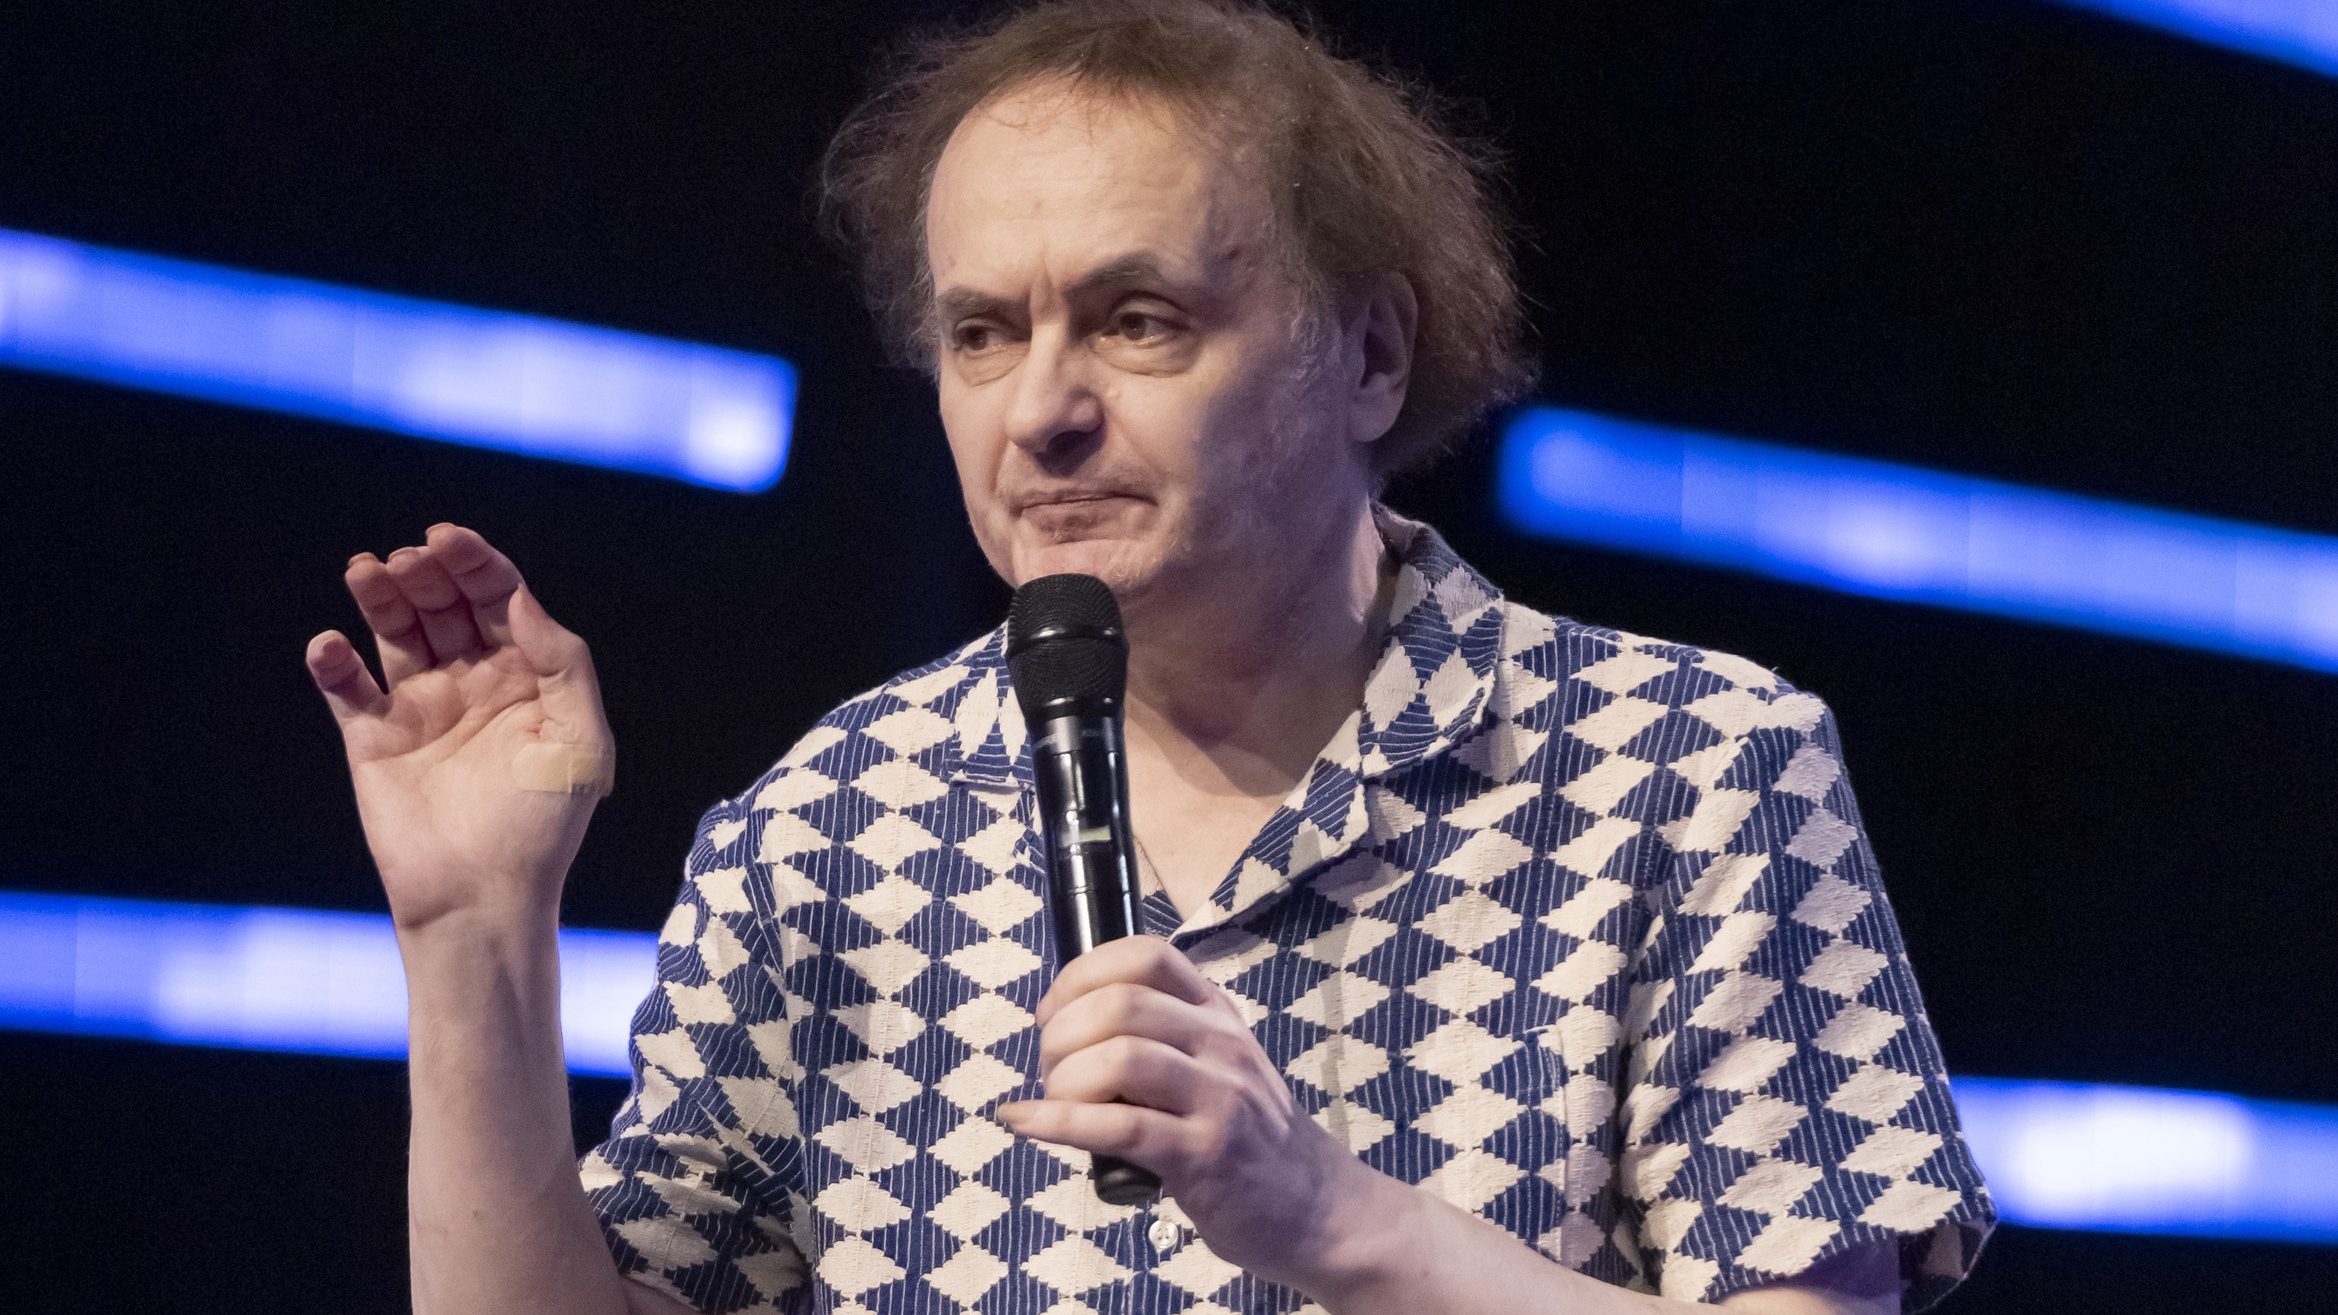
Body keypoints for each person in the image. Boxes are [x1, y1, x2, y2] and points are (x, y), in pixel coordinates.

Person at [304, 1, 1994, 1311]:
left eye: (1135, 320)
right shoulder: (826, 829)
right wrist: (473, 934)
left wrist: (1329, 1217)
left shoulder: (1688, 767)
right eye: (982, 334)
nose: (1040, 410)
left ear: (1369, 356)